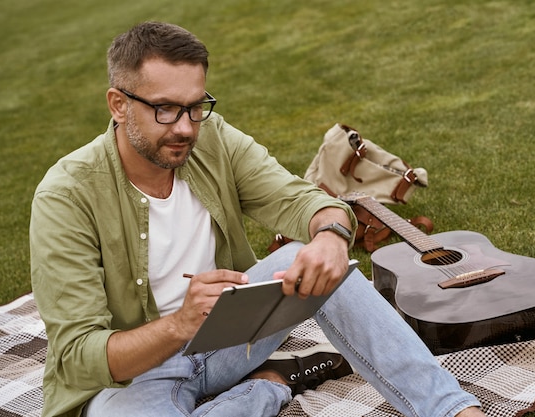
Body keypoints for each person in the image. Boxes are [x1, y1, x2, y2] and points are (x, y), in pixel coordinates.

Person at [30, 21, 487, 417]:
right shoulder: (65, 196)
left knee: (320, 261)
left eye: (195, 106)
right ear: (118, 104)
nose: (186, 127)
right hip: (132, 381)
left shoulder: (213, 138)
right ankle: (267, 387)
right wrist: (179, 324)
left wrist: (330, 235)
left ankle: (451, 408)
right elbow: (76, 356)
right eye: (165, 109)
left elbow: (302, 200)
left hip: (229, 338)